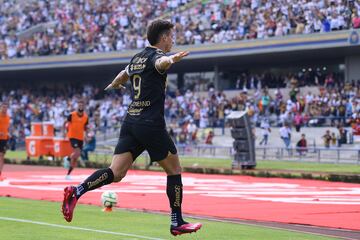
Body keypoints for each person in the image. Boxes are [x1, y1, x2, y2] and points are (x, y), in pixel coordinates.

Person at [61, 20, 202, 236]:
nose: (173, 40)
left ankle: (76, 191)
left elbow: (122, 75)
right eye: (171, 36)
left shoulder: (137, 58)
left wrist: (115, 84)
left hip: (131, 122)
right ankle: (176, 221)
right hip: (150, 124)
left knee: (116, 173)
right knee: (174, 170)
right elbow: (162, 63)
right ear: (163, 38)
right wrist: (172, 59)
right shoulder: (157, 57)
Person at [63, 100, 89, 179]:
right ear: (77, 106)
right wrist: (64, 132)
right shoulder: (72, 115)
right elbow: (65, 123)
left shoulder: (85, 117)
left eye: (82, 105)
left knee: (75, 158)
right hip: (72, 136)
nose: (80, 107)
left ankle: (68, 174)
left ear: (83, 107)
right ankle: (67, 158)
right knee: (77, 152)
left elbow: (85, 128)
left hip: (80, 138)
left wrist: (86, 136)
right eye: (79, 105)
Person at [0, 102, 10, 181]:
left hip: (4, 139)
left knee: (2, 155)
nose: (4, 109)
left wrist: (8, 133)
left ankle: (0, 173)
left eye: (6, 107)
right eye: (3, 107)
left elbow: (6, 127)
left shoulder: (8, 117)